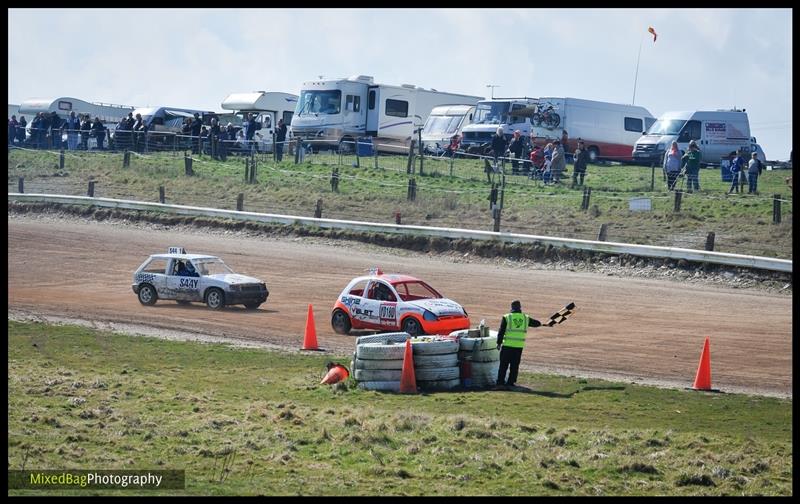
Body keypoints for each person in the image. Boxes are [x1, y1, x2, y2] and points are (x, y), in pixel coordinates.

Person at [495, 300, 544, 389]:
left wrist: (499, 343)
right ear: (520, 308)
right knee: (514, 365)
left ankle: (500, 383)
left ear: (512, 308)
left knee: (503, 365)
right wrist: (541, 323)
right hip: (518, 347)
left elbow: (501, 331)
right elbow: (536, 323)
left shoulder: (507, 317)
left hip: (507, 345)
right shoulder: (525, 318)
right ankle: (511, 382)